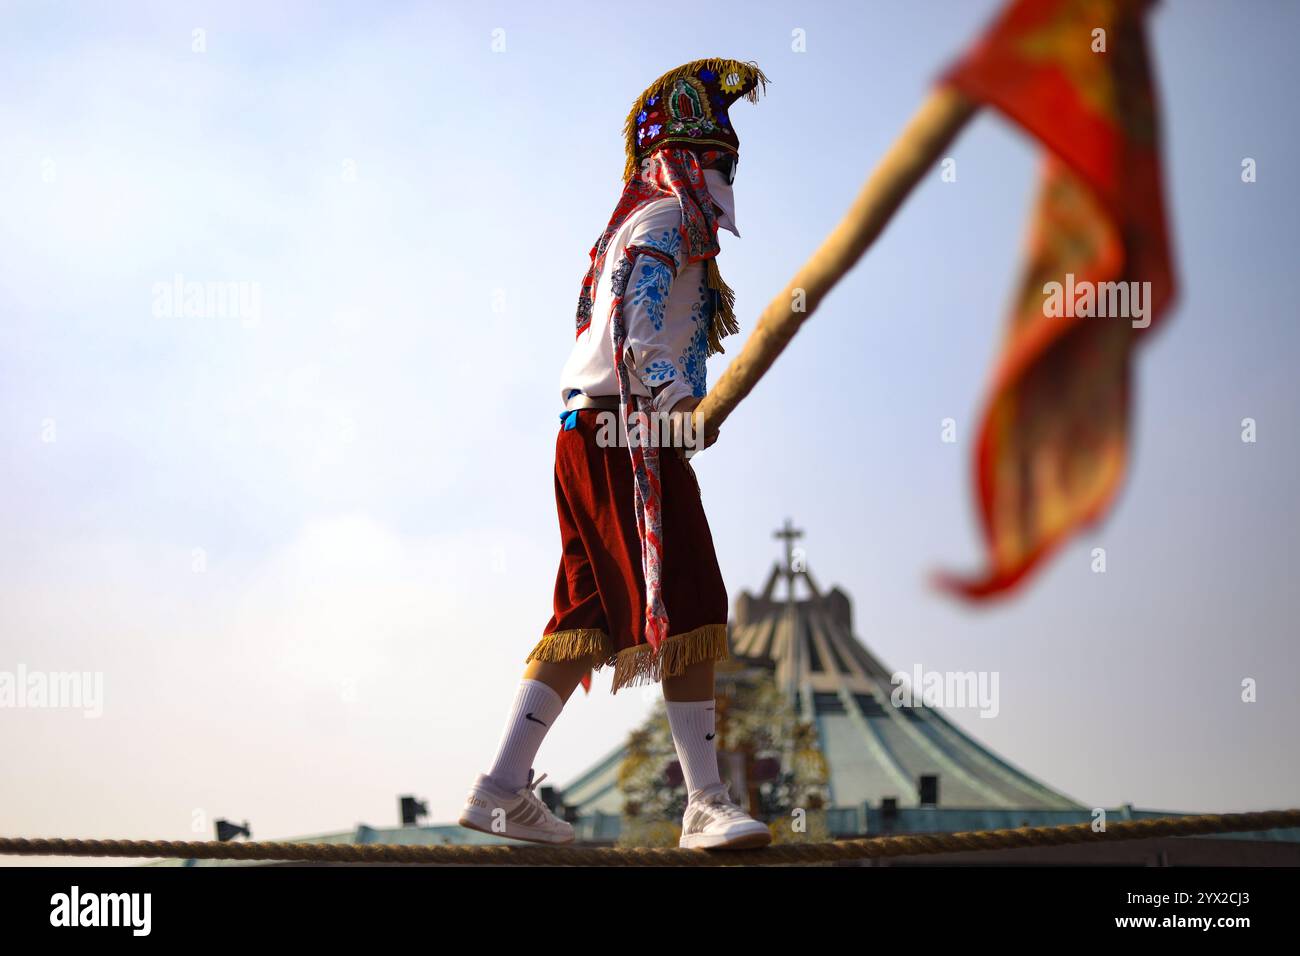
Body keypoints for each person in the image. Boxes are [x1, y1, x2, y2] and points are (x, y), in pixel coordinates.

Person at [459, 59, 771, 851]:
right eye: (714, 159)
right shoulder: (667, 221)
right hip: (626, 436)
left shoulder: (625, 225)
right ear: (681, 160)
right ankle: (702, 803)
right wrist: (679, 406)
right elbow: (637, 335)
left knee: (584, 618)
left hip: (582, 435)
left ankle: (501, 788)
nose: (724, 174)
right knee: (693, 600)